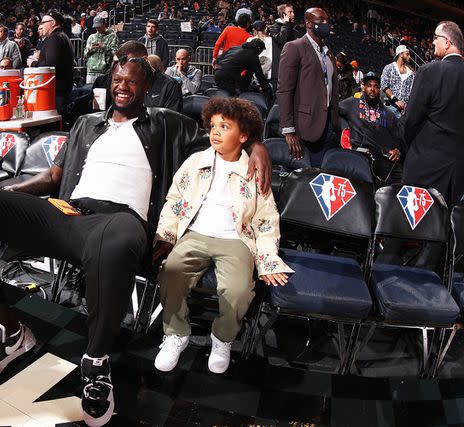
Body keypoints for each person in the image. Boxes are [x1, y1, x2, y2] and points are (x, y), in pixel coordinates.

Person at [0, 53, 271, 426]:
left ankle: (95, 362)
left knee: (111, 240)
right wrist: (15, 191)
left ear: (147, 87)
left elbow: (223, 134)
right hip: (68, 213)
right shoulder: (84, 124)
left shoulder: (164, 123)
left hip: (122, 221)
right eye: (117, 79)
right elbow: (53, 176)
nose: (122, 86)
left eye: (132, 81)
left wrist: (256, 144)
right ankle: (8, 331)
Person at [152, 97, 292, 374]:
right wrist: (165, 236)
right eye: (213, 125)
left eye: (224, 126)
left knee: (239, 290)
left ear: (243, 136)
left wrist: (267, 259)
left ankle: (223, 338)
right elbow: (174, 200)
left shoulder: (254, 169)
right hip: (194, 233)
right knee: (170, 272)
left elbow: (266, 218)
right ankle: (177, 333)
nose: (215, 132)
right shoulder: (195, 161)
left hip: (236, 239)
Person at [402, 21, 464, 205]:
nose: (433, 42)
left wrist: (408, 148)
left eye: (435, 38)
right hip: (459, 171)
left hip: (426, 166)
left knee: (417, 227)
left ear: (446, 42)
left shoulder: (430, 71)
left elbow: (410, 121)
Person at [277, 7, 339, 167]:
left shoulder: (328, 53)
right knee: (301, 178)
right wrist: (288, 130)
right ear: (309, 23)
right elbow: (284, 90)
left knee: (319, 175)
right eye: (321, 20)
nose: (327, 24)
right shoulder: (294, 47)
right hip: (303, 126)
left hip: (328, 125)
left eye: (328, 21)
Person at [339, 72, 404, 186]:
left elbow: (397, 137)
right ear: (363, 87)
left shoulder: (389, 114)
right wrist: (345, 128)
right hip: (359, 155)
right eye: (369, 85)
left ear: (380, 90)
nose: (372, 89)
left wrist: (397, 150)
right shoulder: (352, 104)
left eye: (376, 86)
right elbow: (334, 112)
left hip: (384, 160)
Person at [36, 12, 75, 115]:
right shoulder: (61, 36)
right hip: (61, 90)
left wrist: (34, 63)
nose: (41, 25)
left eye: (44, 22)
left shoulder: (55, 38)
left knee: (55, 126)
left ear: (53, 23)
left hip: (56, 92)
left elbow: (51, 65)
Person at [380, 45, 414, 118]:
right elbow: (384, 84)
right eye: (407, 54)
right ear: (401, 54)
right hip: (389, 107)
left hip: (403, 112)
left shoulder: (411, 74)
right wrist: (395, 99)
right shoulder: (389, 68)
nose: (409, 57)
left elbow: (411, 92)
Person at [84, 16, 119, 84]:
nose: (97, 28)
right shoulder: (91, 37)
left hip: (104, 71)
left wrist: (104, 47)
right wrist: (90, 49)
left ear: (104, 24)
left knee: (103, 92)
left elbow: (115, 53)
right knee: (89, 92)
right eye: (96, 27)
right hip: (91, 71)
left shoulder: (112, 36)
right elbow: (85, 55)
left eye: (99, 26)